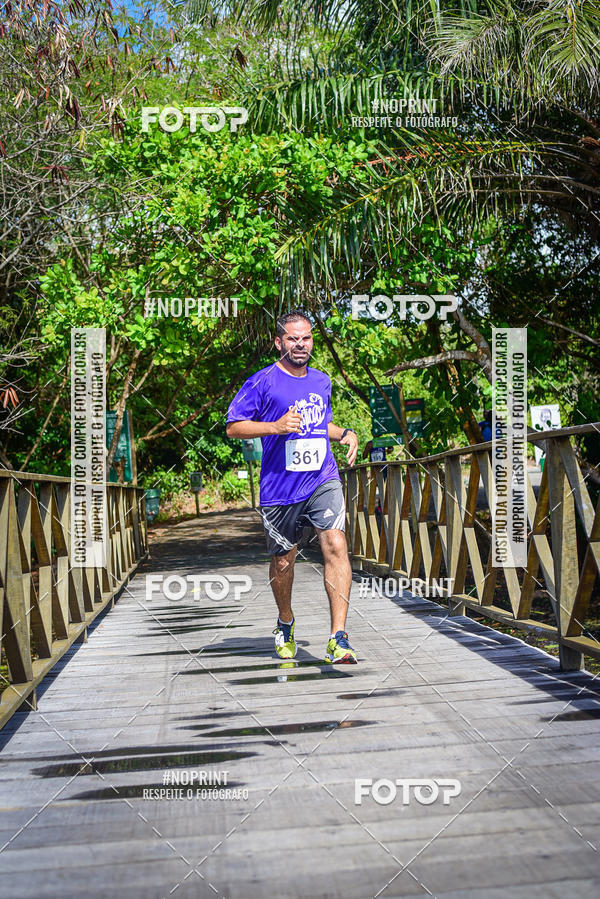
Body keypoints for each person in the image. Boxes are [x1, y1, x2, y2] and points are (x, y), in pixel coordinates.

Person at [226, 310, 359, 664]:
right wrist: (275, 426)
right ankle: (285, 622)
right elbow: (234, 427)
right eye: (293, 338)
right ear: (279, 342)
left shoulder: (322, 381)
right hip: (279, 488)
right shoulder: (262, 381)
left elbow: (321, 425)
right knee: (284, 561)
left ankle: (338, 637)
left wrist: (344, 433)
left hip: (321, 477)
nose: (301, 344)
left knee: (336, 543)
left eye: (307, 338)